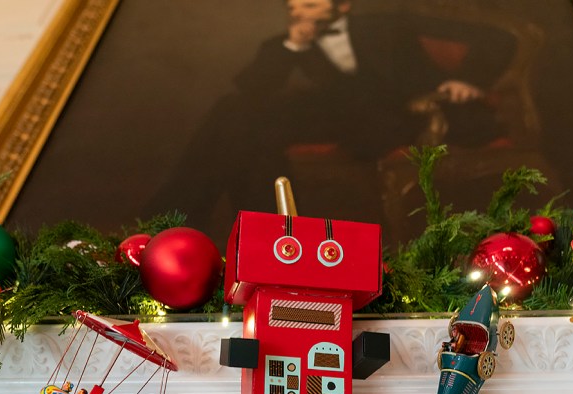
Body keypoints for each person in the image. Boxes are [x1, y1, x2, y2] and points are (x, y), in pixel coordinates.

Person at [149, 0, 511, 244]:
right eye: (294, 6)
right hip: (345, 116)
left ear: (343, 5)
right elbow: (251, 91)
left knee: (247, 127)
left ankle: (179, 224)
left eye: (309, 3)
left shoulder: (389, 23)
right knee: (237, 117)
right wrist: (293, 45)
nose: (298, 11)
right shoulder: (288, 41)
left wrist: (469, 79)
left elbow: (499, 38)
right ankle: (260, 232)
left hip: (404, 110)